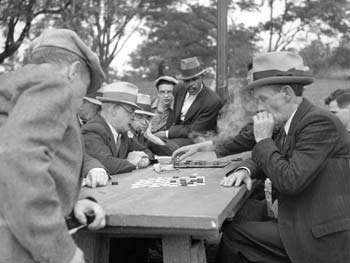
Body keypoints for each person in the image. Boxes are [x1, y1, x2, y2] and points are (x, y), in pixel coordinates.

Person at [216, 51, 350, 263]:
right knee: (239, 215)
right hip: (299, 215)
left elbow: (290, 181)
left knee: (234, 234)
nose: (259, 107)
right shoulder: (292, 120)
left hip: (319, 234)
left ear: (286, 93)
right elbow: (275, 155)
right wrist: (246, 169)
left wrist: (262, 140)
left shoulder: (319, 122)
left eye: (263, 99)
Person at [0, 28, 106, 263]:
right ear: (74, 71)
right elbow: (18, 159)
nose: (80, 102)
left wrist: (74, 201)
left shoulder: (13, 90)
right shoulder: (53, 84)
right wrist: (62, 251)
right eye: (85, 88)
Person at [154, 57, 223, 153]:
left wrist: (166, 133)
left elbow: (196, 129)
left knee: (164, 147)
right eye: (187, 81)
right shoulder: (178, 89)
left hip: (197, 138)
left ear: (201, 77)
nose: (191, 84)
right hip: (176, 134)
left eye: (194, 79)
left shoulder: (212, 101)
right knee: (149, 142)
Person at [82, 82, 151, 175]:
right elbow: (105, 164)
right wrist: (132, 162)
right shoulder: (93, 130)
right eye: (130, 111)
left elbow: (146, 152)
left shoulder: (122, 133)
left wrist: (144, 159)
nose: (132, 117)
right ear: (113, 110)